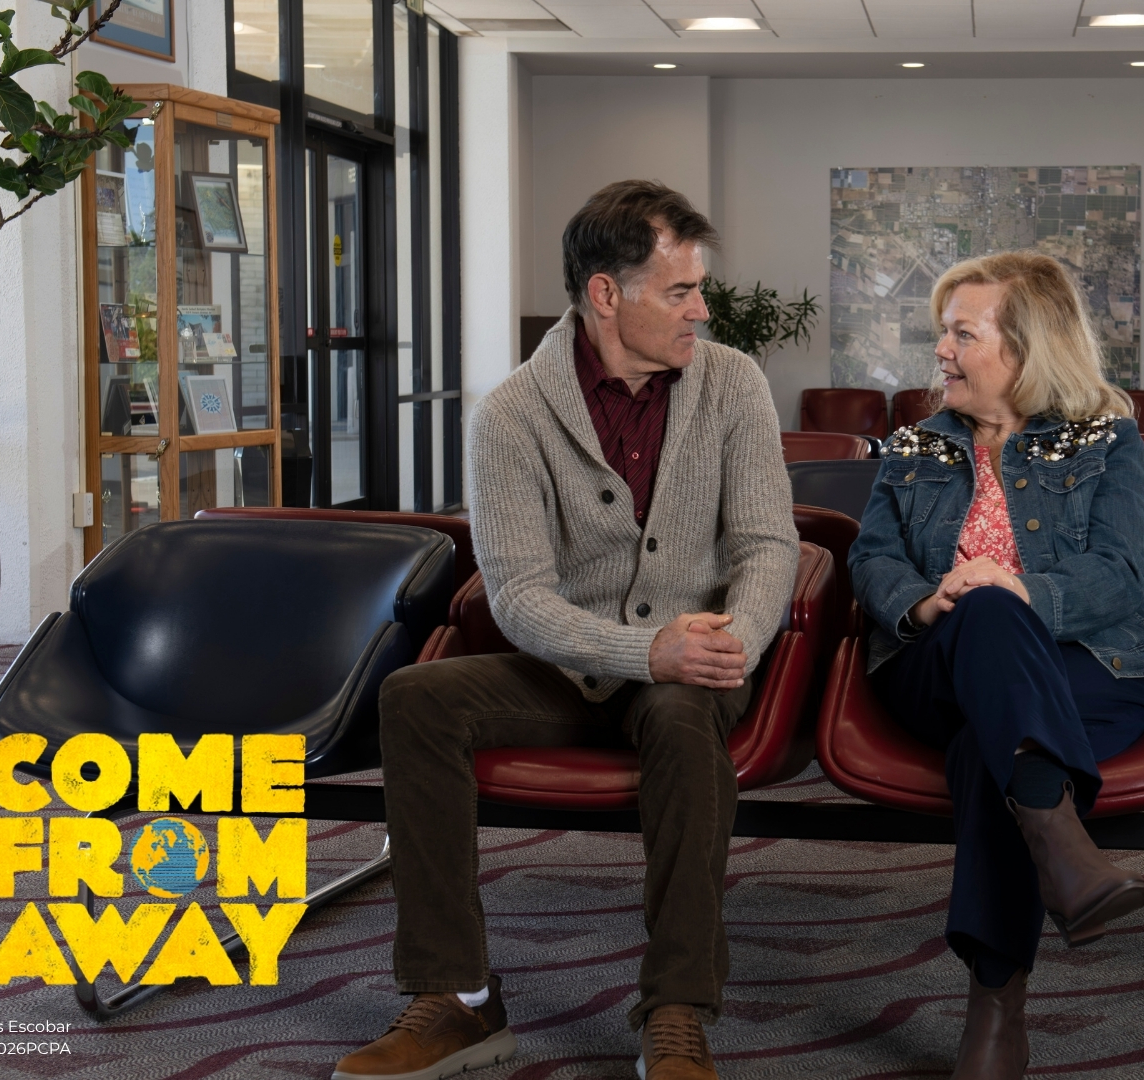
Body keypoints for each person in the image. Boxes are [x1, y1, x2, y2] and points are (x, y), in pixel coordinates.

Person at [334, 181, 798, 1080]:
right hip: (568, 666)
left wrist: (729, 639)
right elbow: (517, 598)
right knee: (417, 699)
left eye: (700, 288)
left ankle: (675, 1009)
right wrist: (639, 648)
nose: (703, 308)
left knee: (677, 709)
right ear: (605, 294)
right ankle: (458, 997)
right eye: (680, 291)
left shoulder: (733, 382)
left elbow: (769, 544)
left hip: (692, 663)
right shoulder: (510, 413)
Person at [848, 252, 1144, 1080]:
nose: (943, 352)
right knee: (985, 613)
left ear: (1029, 346)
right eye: (943, 334)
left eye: (962, 333)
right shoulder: (915, 448)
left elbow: (1120, 569)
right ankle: (1062, 846)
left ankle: (995, 1004)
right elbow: (873, 557)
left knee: (987, 743)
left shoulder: (1107, 438)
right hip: (937, 661)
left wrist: (1019, 588)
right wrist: (930, 603)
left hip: (1090, 666)